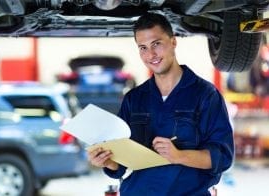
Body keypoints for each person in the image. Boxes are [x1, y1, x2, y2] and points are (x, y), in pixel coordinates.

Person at [88, 12, 234, 195]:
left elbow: (223, 157)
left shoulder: (205, 95)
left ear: (173, 42)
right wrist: (107, 160)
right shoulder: (134, 99)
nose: (151, 54)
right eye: (143, 47)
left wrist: (179, 156)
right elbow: (120, 165)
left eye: (156, 44)